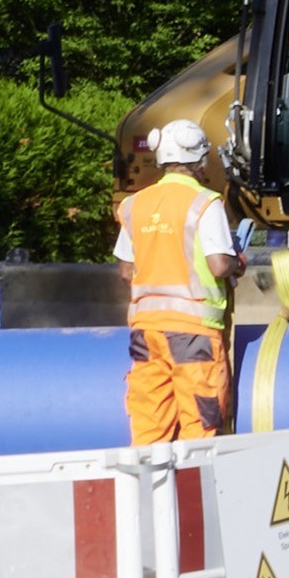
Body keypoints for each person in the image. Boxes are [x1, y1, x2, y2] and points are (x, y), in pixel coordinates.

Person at [116, 120, 240, 442]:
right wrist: (236, 262)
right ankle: (193, 489)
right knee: (200, 423)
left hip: (146, 330)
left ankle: (145, 489)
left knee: (149, 422)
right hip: (193, 330)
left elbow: (126, 270)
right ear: (199, 161)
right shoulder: (205, 202)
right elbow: (218, 265)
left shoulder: (134, 204)